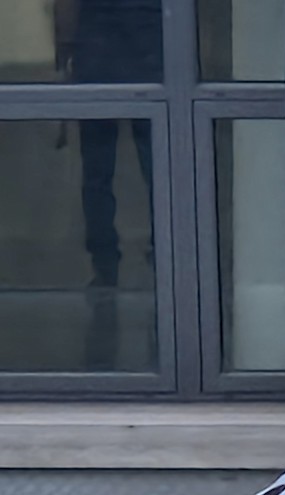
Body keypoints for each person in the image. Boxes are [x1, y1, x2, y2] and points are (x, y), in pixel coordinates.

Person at [54, 0, 161, 367]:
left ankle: (104, 263)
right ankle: (162, 257)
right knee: (158, 170)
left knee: (98, 171)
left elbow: (66, 8)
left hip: (98, 50)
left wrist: (65, 53)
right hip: (152, 51)